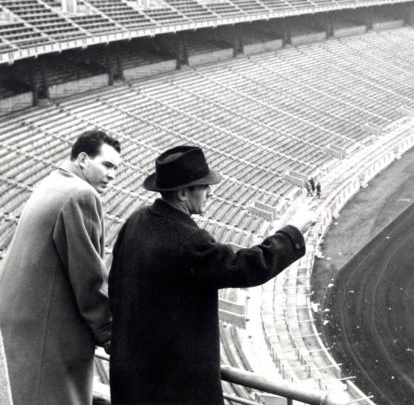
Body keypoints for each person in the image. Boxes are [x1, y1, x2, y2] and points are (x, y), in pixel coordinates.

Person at [108, 145, 316, 405]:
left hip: (131, 377)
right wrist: (293, 232)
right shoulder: (189, 240)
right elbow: (247, 267)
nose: (212, 193)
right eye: (204, 187)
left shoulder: (136, 220)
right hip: (171, 388)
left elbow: (114, 285)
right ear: (183, 193)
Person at [0, 129, 121, 405]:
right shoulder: (81, 195)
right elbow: (89, 277)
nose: (113, 175)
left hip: (23, 327)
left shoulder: (52, 182)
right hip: (48, 335)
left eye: (116, 168)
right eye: (107, 165)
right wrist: (111, 334)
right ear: (82, 159)